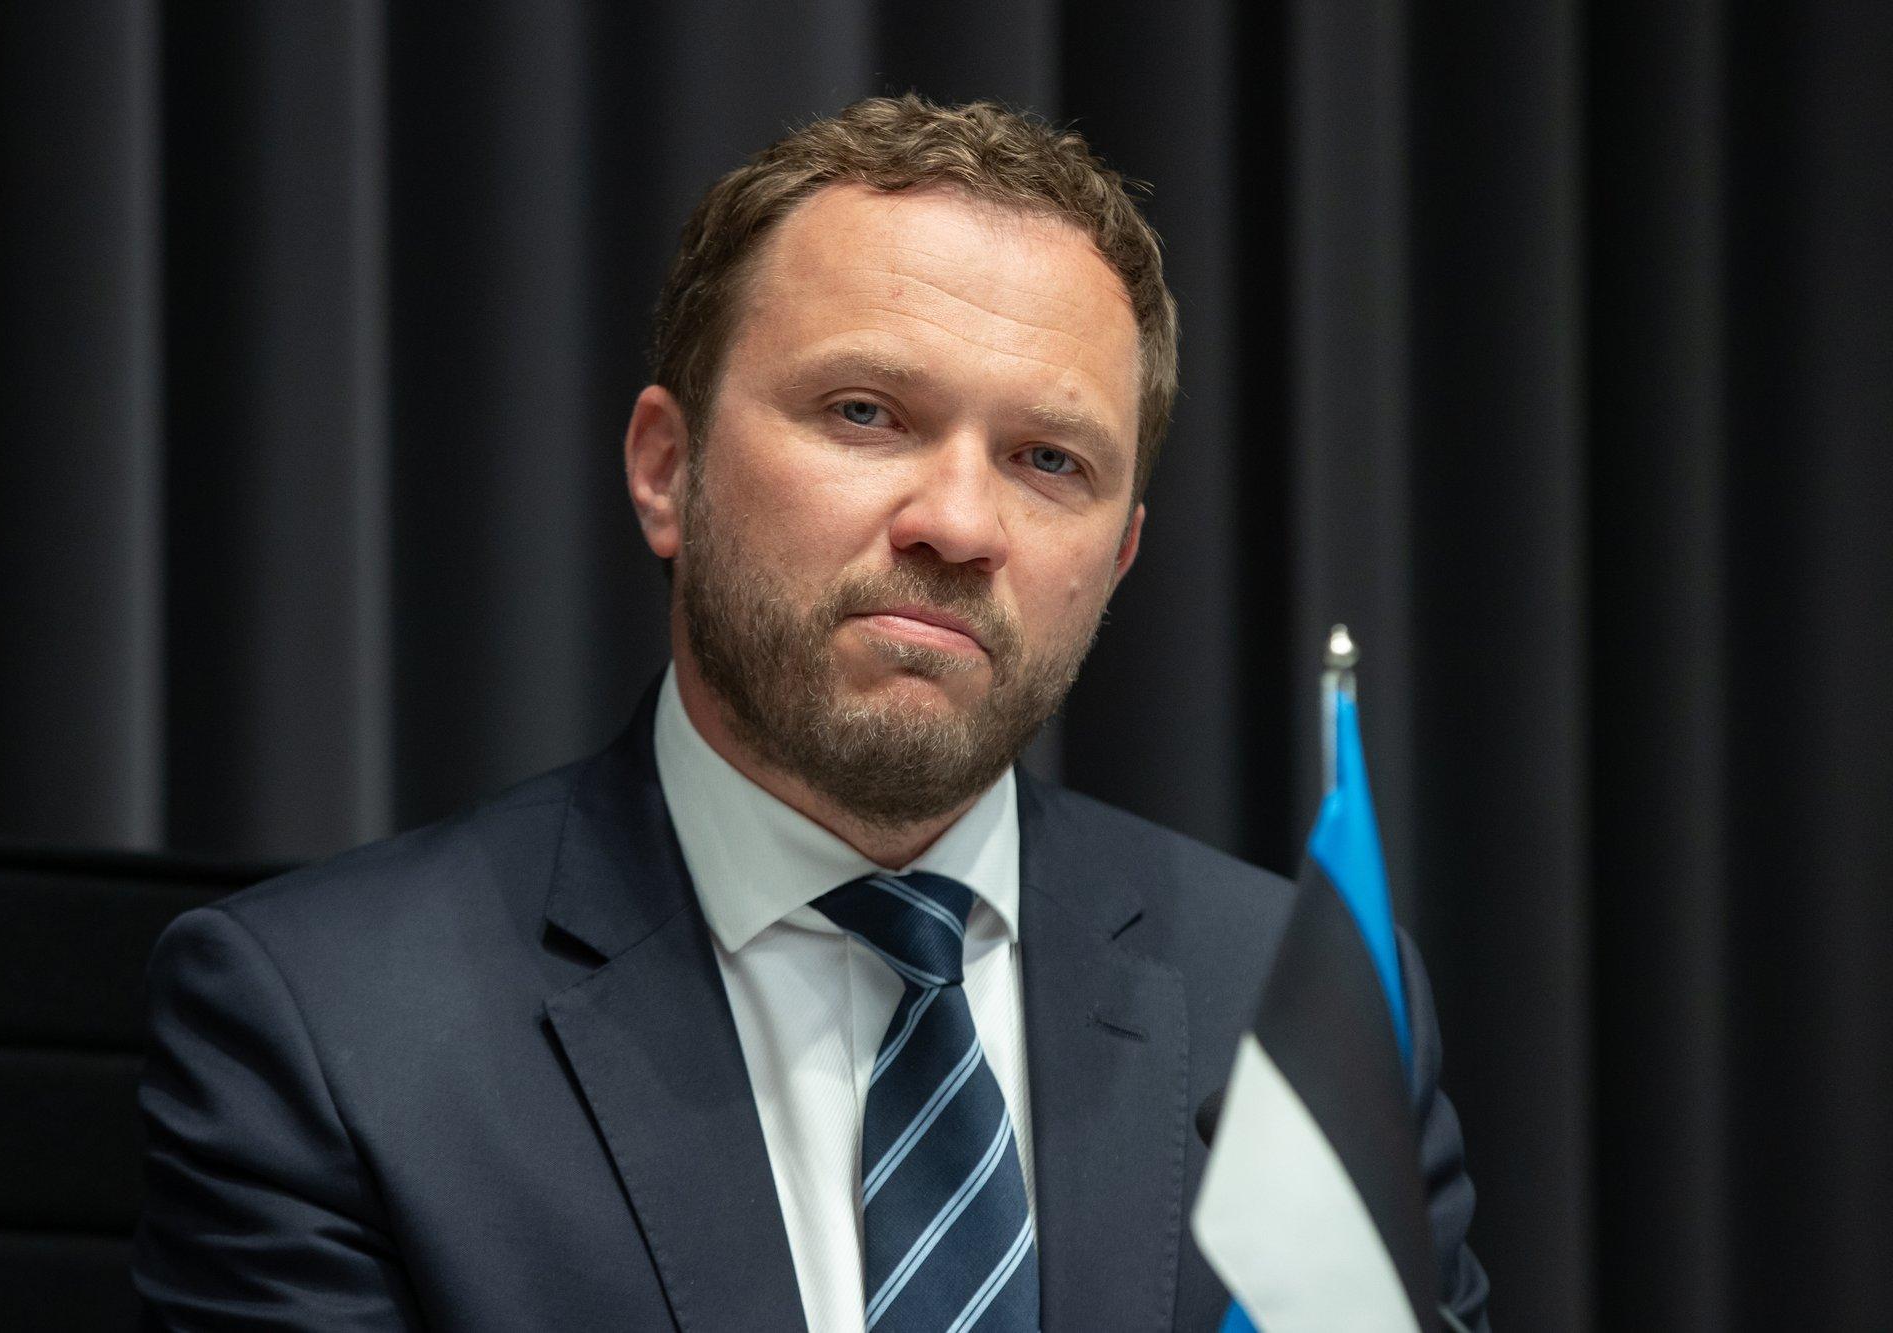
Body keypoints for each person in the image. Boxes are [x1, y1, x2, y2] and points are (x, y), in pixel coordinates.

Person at [135, 94, 1489, 1331]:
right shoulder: (329, 1032)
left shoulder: (1298, 1005)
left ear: (1120, 555)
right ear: (667, 470)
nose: (960, 522)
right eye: (866, 413)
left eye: (1048, 460)